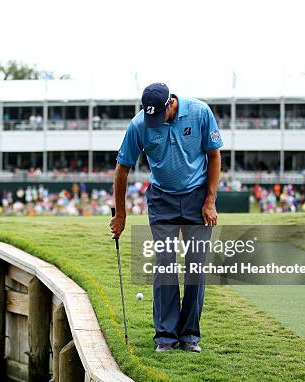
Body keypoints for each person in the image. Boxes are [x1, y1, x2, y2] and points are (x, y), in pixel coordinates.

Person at [109, 82, 222, 353]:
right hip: (162, 200)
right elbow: (122, 169)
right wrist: (121, 215)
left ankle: (190, 336)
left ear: (171, 103)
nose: (155, 124)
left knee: (196, 266)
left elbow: (214, 156)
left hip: (197, 198)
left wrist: (210, 201)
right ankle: (166, 337)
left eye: (159, 117)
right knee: (165, 265)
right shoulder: (139, 125)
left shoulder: (200, 112)